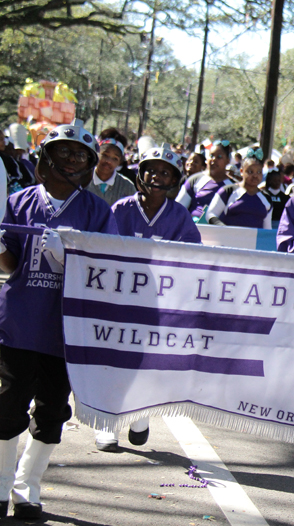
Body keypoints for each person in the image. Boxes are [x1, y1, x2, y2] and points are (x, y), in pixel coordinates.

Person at [0, 120, 117, 520]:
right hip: (18, 324)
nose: (71, 159)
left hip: (66, 330)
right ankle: (0, 487)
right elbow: (10, 263)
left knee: (51, 412)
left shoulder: (97, 211)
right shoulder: (17, 202)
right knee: (6, 407)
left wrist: (72, 257)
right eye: (64, 151)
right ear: (46, 157)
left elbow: (109, 271)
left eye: (80, 154)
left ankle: (27, 487)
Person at [96, 144, 201, 452]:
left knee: (147, 363)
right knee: (114, 361)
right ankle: (107, 424)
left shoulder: (179, 216)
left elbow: (193, 256)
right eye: (152, 170)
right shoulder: (121, 209)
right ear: (140, 175)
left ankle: (140, 413)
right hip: (121, 300)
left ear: (174, 181)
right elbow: (105, 250)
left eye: (165, 172)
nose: (158, 176)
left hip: (158, 305)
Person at [207, 151, 272, 229]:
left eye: (259, 172)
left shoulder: (266, 198)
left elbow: (267, 229)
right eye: (250, 172)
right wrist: (224, 229)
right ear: (241, 171)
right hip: (227, 239)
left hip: (253, 241)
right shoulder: (228, 191)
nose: (255, 176)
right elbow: (210, 214)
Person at [175, 140, 232, 220]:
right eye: (211, 156)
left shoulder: (233, 186)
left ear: (227, 160)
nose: (214, 160)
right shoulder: (194, 180)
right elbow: (178, 210)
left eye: (219, 157)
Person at [86, 129, 136, 206]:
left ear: (120, 162)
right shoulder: (82, 180)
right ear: (97, 153)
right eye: (105, 155)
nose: (109, 161)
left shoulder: (127, 187)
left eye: (115, 158)